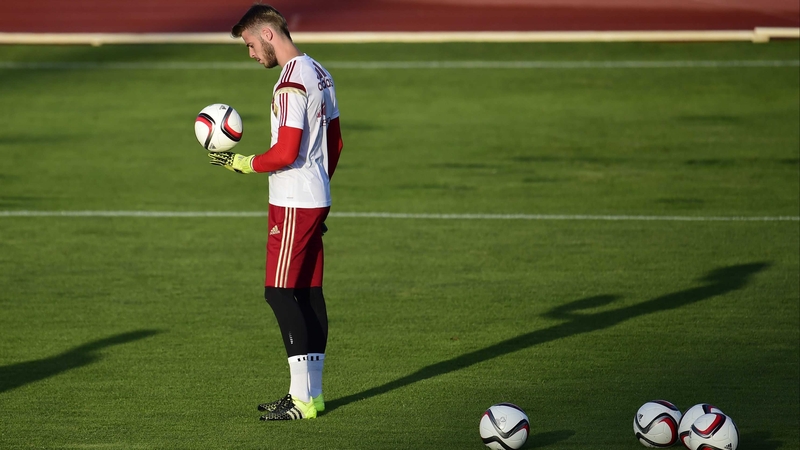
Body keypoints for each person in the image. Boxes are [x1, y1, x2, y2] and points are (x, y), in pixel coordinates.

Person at [209, 3, 343, 421]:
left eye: (250, 44)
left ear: (268, 34)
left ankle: (300, 400)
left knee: (280, 293)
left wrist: (244, 163)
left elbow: (286, 151)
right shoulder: (319, 71)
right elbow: (334, 144)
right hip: (314, 197)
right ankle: (313, 397)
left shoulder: (289, 83)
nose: (250, 54)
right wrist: (320, 194)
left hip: (292, 202)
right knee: (307, 292)